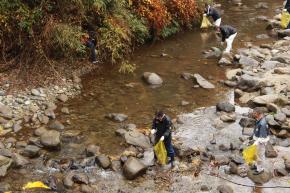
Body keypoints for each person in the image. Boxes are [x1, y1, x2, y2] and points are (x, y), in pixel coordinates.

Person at [251, 108, 270, 175]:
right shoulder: (259, 119)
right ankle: (256, 165)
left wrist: (256, 143)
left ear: (259, 114)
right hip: (257, 139)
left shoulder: (262, 123)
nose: (253, 114)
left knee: (260, 155)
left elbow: (263, 137)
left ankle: (260, 169)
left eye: (254, 113)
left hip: (261, 142)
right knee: (256, 153)